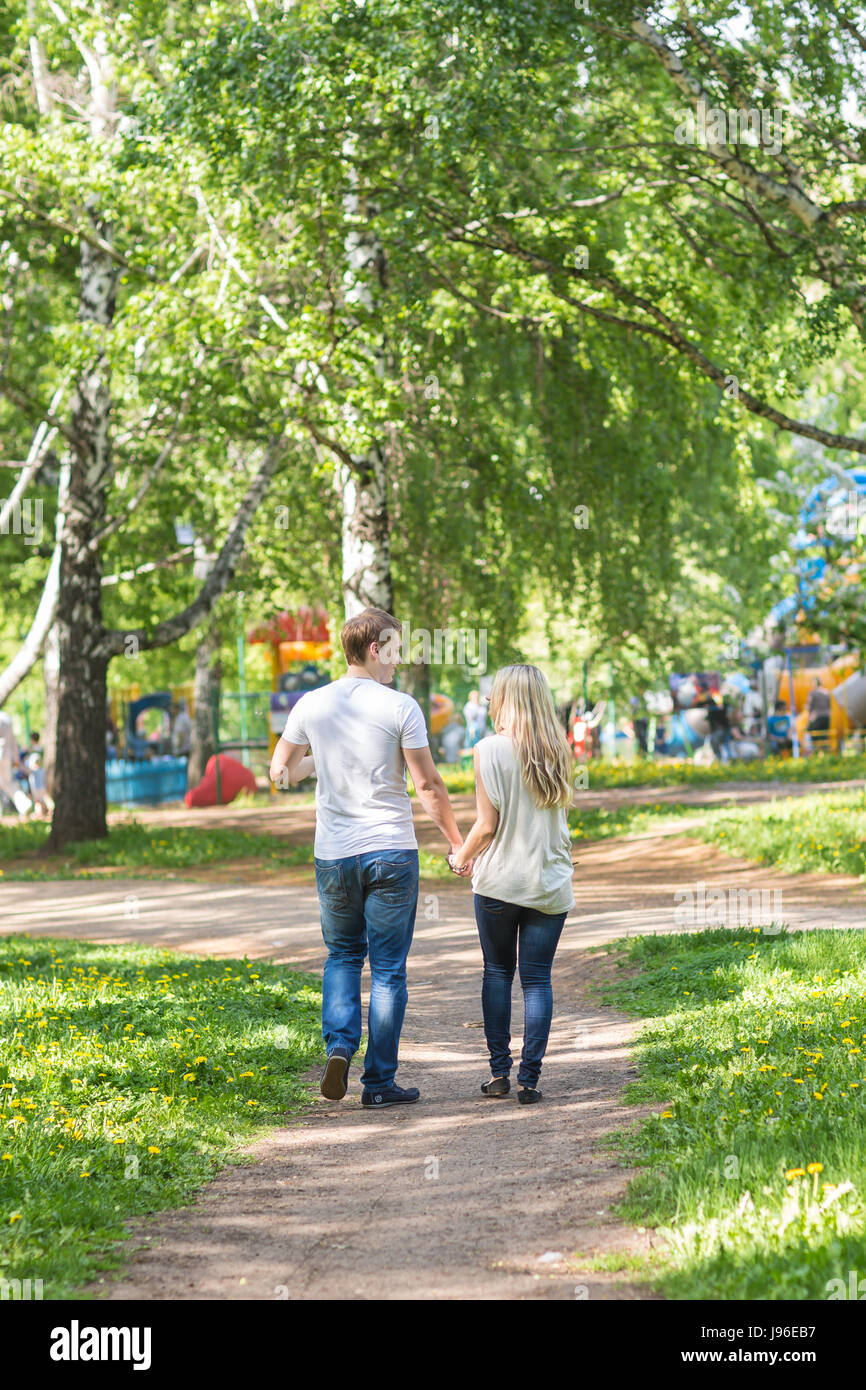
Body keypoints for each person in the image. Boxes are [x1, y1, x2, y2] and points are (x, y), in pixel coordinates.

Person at [269, 607, 468, 1110]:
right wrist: (456, 840)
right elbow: (426, 783)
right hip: (390, 851)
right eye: (395, 651)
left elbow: (279, 773)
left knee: (341, 956)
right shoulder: (401, 707)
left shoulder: (311, 704)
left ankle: (339, 1046)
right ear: (375, 649)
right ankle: (378, 1083)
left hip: (334, 855)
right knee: (387, 970)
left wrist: (323, 759)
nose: (399, 662)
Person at [449, 664, 575, 1104]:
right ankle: (530, 1079)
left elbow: (486, 825)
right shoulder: (558, 749)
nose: (488, 701)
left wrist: (460, 858)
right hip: (549, 883)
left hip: (500, 883)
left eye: (493, 694)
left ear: (505, 699)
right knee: (537, 980)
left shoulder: (488, 749)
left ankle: (499, 1073)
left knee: (498, 973)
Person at [23, 731, 50, 818]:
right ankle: (42, 811)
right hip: (39, 773)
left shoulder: (33, 750)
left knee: (37, 793)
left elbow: (35, 763)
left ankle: (43, 810)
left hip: (35, 774)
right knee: (38, 793)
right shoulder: (40, 749)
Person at [806, 678, 831, 750]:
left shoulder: (813, 693)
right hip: (827, 716)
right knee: (824, 734)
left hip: (817, 716)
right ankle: (825, 748)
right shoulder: (827, 692)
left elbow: (809, 706)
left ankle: (815, 748)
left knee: (812, 731)